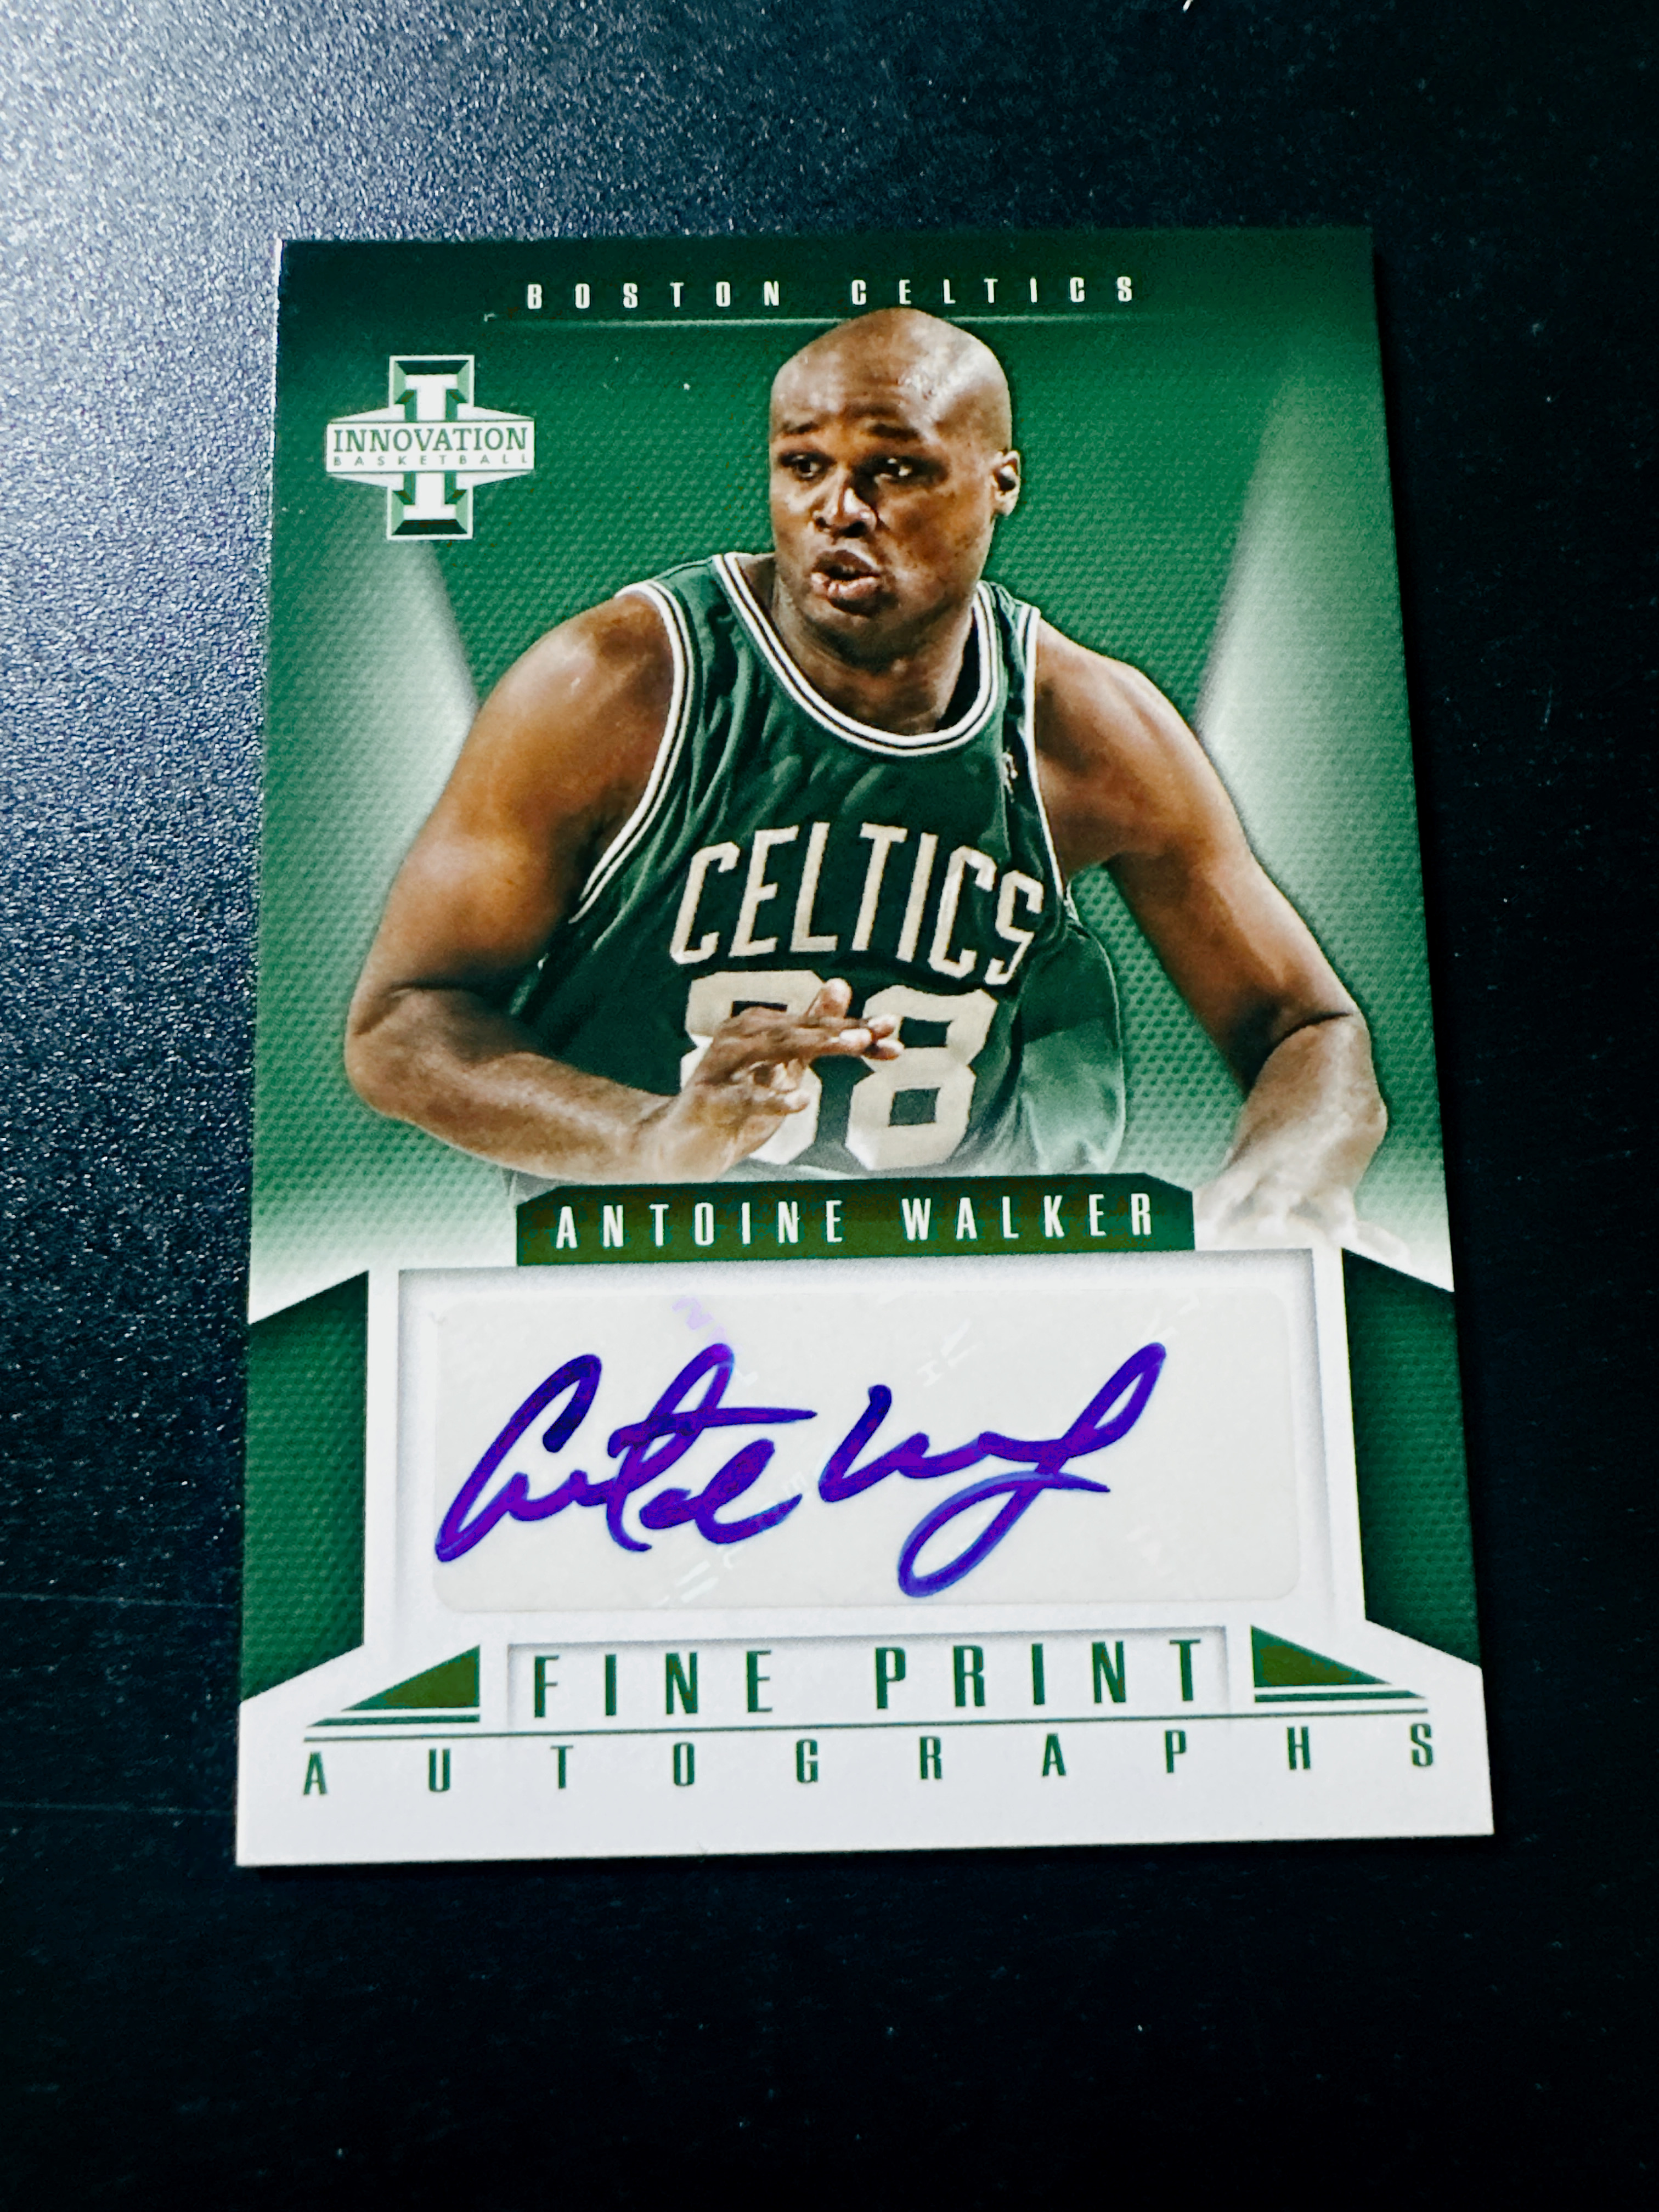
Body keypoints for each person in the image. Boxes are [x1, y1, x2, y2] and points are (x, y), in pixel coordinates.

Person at [346, 308, 1387, 1250]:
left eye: (895, 469)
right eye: (803, 465)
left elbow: (1307, 1028)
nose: (838, 508)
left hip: (975, 1279)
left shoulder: (1088, 728)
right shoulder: (616, 686)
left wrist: (1282, 1179)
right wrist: (647, 1137)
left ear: (1000, 483)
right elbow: (402, 1024)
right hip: (656, 1279)